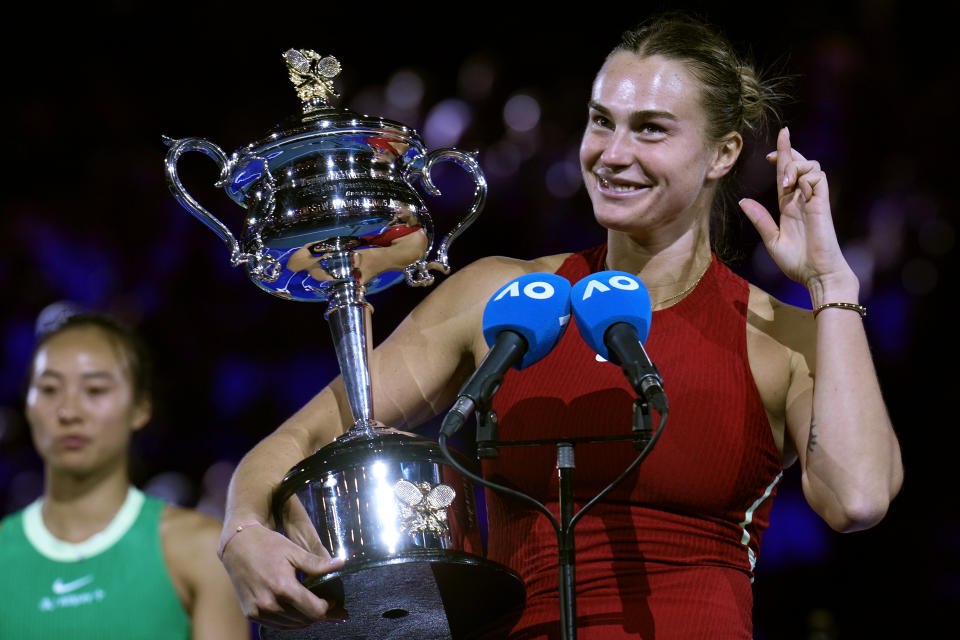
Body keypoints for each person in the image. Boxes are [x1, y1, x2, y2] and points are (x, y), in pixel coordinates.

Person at [215, 13, 903, 638]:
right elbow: (299, 437)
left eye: (651, 129)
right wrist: (242, 527)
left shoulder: (780, 334)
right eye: (601, 121)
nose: (611, 152)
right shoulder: (501, 297)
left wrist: (831, 287)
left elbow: (859, 498)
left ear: (723, 154)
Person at [0, 312, 251, 640]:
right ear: (27, 405)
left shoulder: (199, 550)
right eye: (49, 389)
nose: (69, 411)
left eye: (95, 390)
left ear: (141, 408)